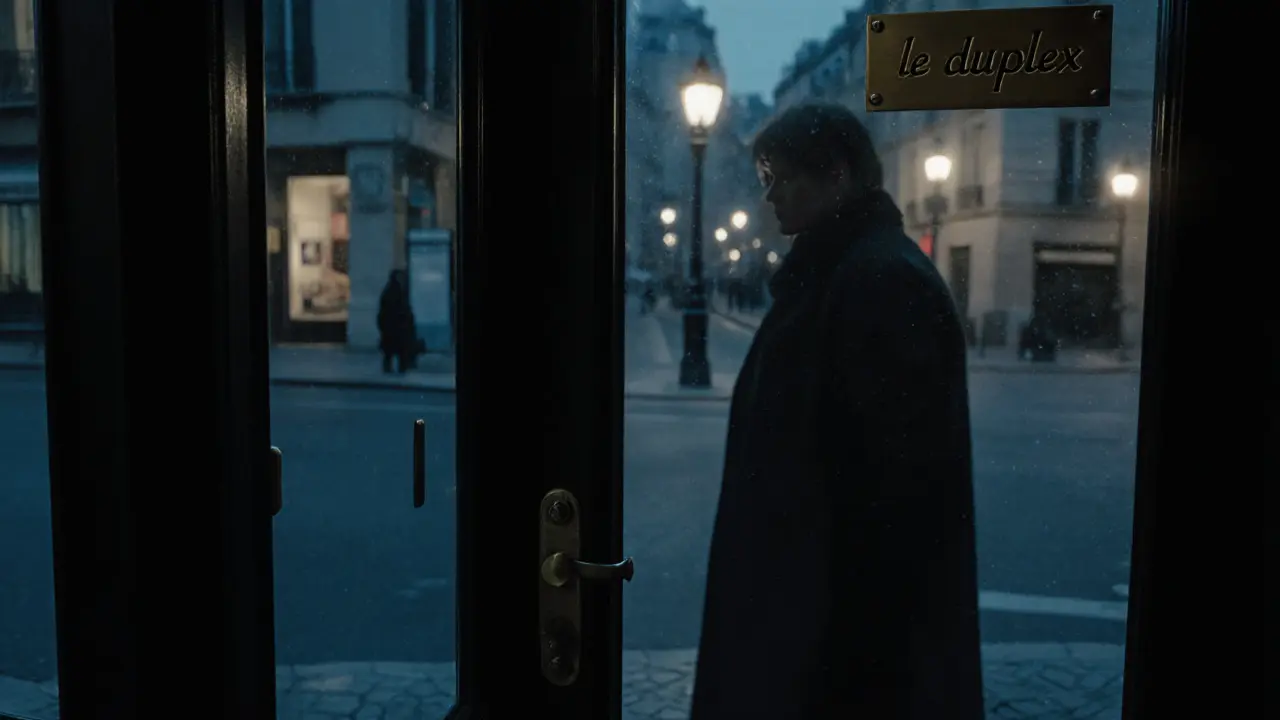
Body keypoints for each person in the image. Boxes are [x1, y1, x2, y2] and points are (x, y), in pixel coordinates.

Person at [690, 103, 985, 719]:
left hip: (838, 644)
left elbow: (891, 500)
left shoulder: (876, 280)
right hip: (813, 617)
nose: (768, 193)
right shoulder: (843, 272)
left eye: (781, 175)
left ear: (838, 175)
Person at [376, 269, 417, 374]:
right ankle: (394, 368)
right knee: (394, 351)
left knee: (395, 351)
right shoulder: (394, 293)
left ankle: (397, 368)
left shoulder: (395, 292)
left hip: (396, 328)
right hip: (394, 327)